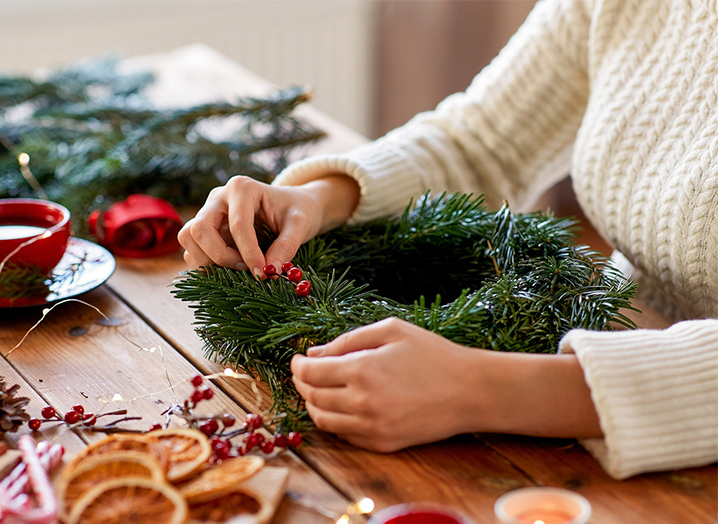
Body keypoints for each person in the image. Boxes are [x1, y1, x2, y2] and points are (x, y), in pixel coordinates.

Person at [178, 0, 718, 479]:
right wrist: (318, 197)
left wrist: (483, 388)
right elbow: (483, 141)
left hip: (657, 430)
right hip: (612, 325)